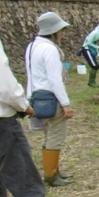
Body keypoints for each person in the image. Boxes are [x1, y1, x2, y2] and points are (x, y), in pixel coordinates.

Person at [0, 0, 70, 197]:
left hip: (32, 95)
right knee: (28, 191)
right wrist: (22, 104)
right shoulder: (50, 48)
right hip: (3, 121)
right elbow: (4, 84)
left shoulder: (30, 45)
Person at [26, 11, 74, 187]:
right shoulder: (50, 49)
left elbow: (31, 75)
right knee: (56, 135)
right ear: (53, 31)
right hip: (51, 98)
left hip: (37, 97)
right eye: (61, 30)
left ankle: (53, 171)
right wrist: (66, 104)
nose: (62, 33)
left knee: (48, 134)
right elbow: (54, 80)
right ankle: (51, 175)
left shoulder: (32, 46)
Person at [81, 22, 99, 87]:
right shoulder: (94, 33)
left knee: (95, 66)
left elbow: (94, 43)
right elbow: (88, 43)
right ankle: (91, 82)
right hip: (86, 49)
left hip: (90, 50)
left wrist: (97, 50)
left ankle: (92, 82)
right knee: (95, 66)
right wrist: (97, 47)